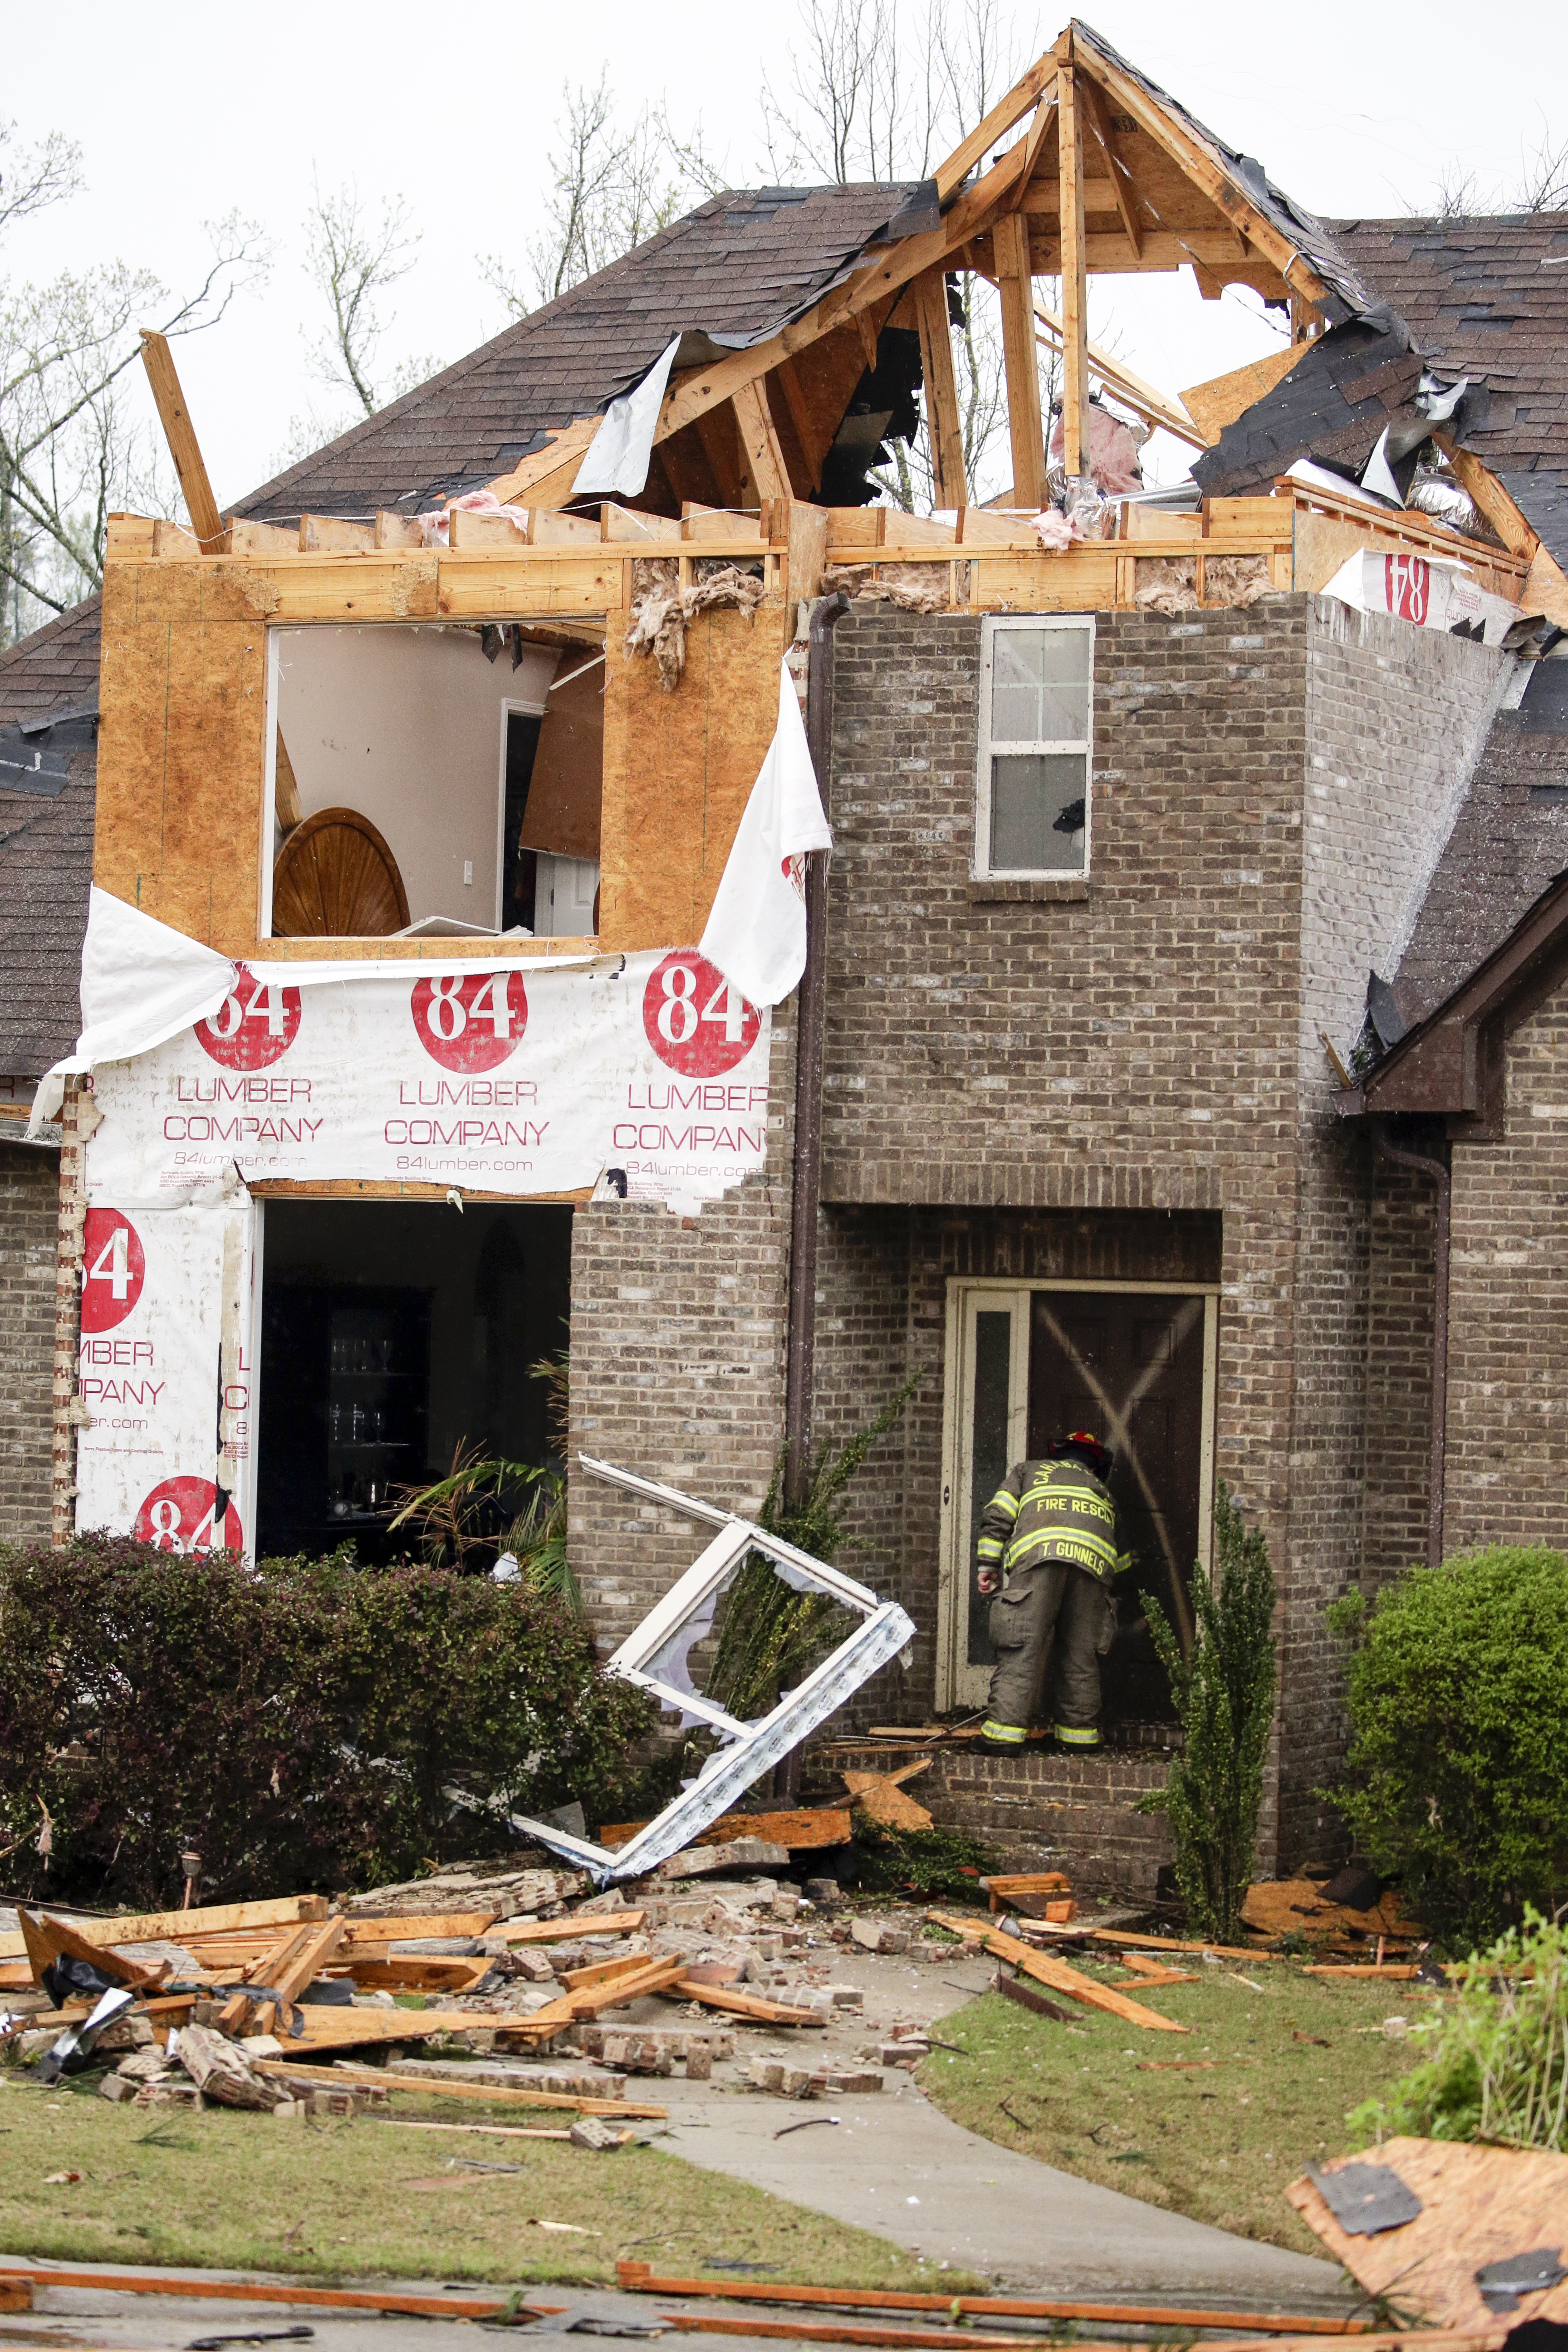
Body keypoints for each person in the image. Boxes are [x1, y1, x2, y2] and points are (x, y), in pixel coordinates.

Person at [975, 1431, 1129, 1754]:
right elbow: (1122, 1556)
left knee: (1022, 1648)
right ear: (1095, 1465)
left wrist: (987, 1565)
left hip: (1038, 1562)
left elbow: (998, 1517)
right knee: (1080, 1655)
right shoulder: (1102, 1492)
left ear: (1059, 1456)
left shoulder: (1028, 1472)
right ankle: (1079, 1738)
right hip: (1093, 1571)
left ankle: (1002, 1738)